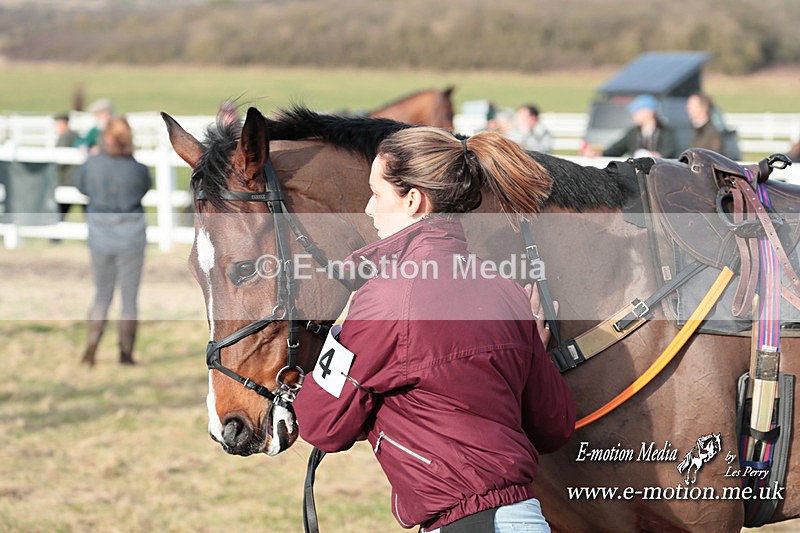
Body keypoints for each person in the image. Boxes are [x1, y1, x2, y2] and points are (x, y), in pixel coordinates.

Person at [294, 127, 576, 532]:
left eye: (376, 194)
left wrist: (339, 339)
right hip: (525, 518)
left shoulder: (385, 298)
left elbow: (322, 426)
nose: (369, 209)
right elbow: (554, 426)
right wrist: (535, 354)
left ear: (413, 200)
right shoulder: (507, 289)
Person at [72, 117, 152, 366]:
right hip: (132, 238)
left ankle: (92, 347)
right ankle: (125, 354)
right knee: (129, 298)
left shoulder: (92, 164)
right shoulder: (138, 169)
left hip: (100, 238)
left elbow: (81, 186)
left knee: (102, 294)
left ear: (107, 138)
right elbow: (144, 188)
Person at [583, 94, 678, 158]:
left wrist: (658, 157)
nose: (634, 115)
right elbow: (616, 149)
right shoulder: (633, 133)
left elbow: (669, 152)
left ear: (649, 112)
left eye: (637, 111)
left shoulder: (665, 131)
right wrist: (599, 154)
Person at [53, 113, 81, 224]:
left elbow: (59, 160)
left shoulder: (65, 136)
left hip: (67, 180)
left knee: (60, 211)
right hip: (78, 178)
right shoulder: (76, 135)